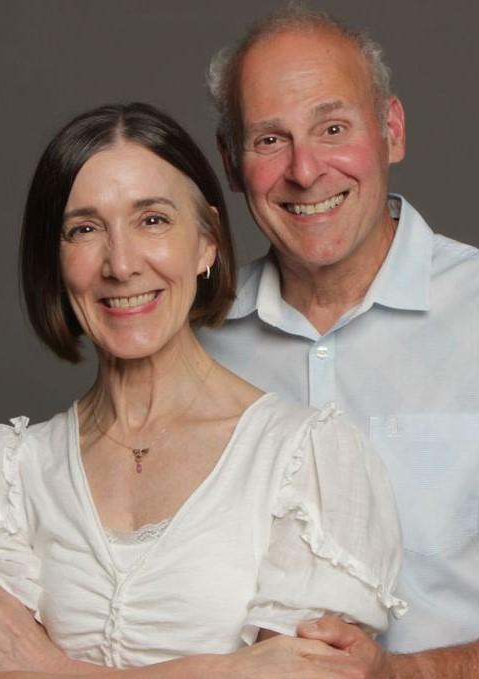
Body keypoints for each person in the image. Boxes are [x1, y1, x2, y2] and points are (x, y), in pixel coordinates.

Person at [0, 102, 403, 678]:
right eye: (85, 229)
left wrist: (47, 669)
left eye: (153, 220)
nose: (120, 263)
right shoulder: (9, 469)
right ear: (54, 261)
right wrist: (231, 670)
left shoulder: (307, 458)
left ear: (207, 242)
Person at [198, 3, 479, 678]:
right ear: (231, 164)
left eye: (331, 127)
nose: (304, 170)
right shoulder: (197, 347)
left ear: (390, 131)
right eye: (269, 140)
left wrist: (405, 673)